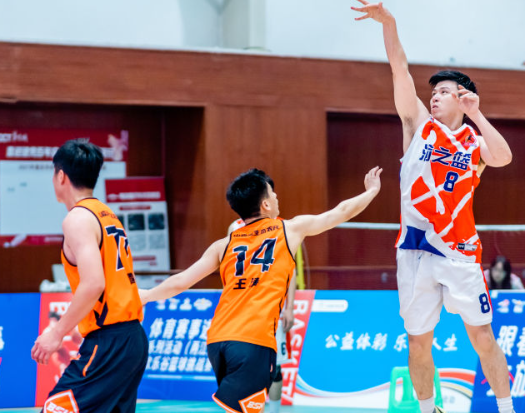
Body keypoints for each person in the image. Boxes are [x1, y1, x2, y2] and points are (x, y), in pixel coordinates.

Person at [352, 0, 515, 413]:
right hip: (415, 251)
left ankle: (506, 409)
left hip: (460, 252)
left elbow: (504, 157)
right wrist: (388, 23)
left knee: (483, 338)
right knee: (418, 341)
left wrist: (478, 116)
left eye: (444, 92)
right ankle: (428, 411)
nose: (436, 97)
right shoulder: (418, 125)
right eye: (435, 92)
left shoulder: (474, 142)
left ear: (463, 99)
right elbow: (399, 68)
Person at [141, 166, 382, 413]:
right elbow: (341, 212)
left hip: (218, 341)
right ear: (266, 204)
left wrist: (146, 295)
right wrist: (371, 191)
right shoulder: (289, 229)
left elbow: (181, 281)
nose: (277, 197)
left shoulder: (223, 245)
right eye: (272, 193)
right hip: (252, 342)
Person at [31, 140, 147, 413]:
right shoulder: (107, 215)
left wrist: (56, 333)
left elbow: (94, 283)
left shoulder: (77, 219)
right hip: (131, 338)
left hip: (109, 342)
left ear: (61, 176)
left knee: (56, 408)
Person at [227, 218, 297, 413]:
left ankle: (273, 410)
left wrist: (290, 307)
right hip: (243, 309)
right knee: (243, 365)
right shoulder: (235, 227)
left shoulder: (283, 227)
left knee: (274, 367)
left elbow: (290, 270)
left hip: (272, 309)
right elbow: (229, 267)